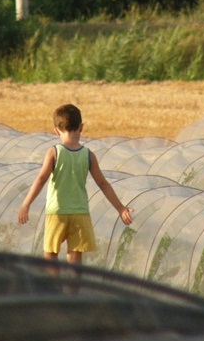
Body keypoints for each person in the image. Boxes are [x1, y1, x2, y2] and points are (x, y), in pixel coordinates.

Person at [18, 104, 133, 266]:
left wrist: (26, 203)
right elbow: (103, 183)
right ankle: (73, 290)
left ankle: (54, 287)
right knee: (75, 256)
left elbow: (41, 178)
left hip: (57, 212)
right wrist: (121, 208)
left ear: (56, 130)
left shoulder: (54, 152)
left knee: (50, 253)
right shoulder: (88, 155)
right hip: (80, 212)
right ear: (82, 127)